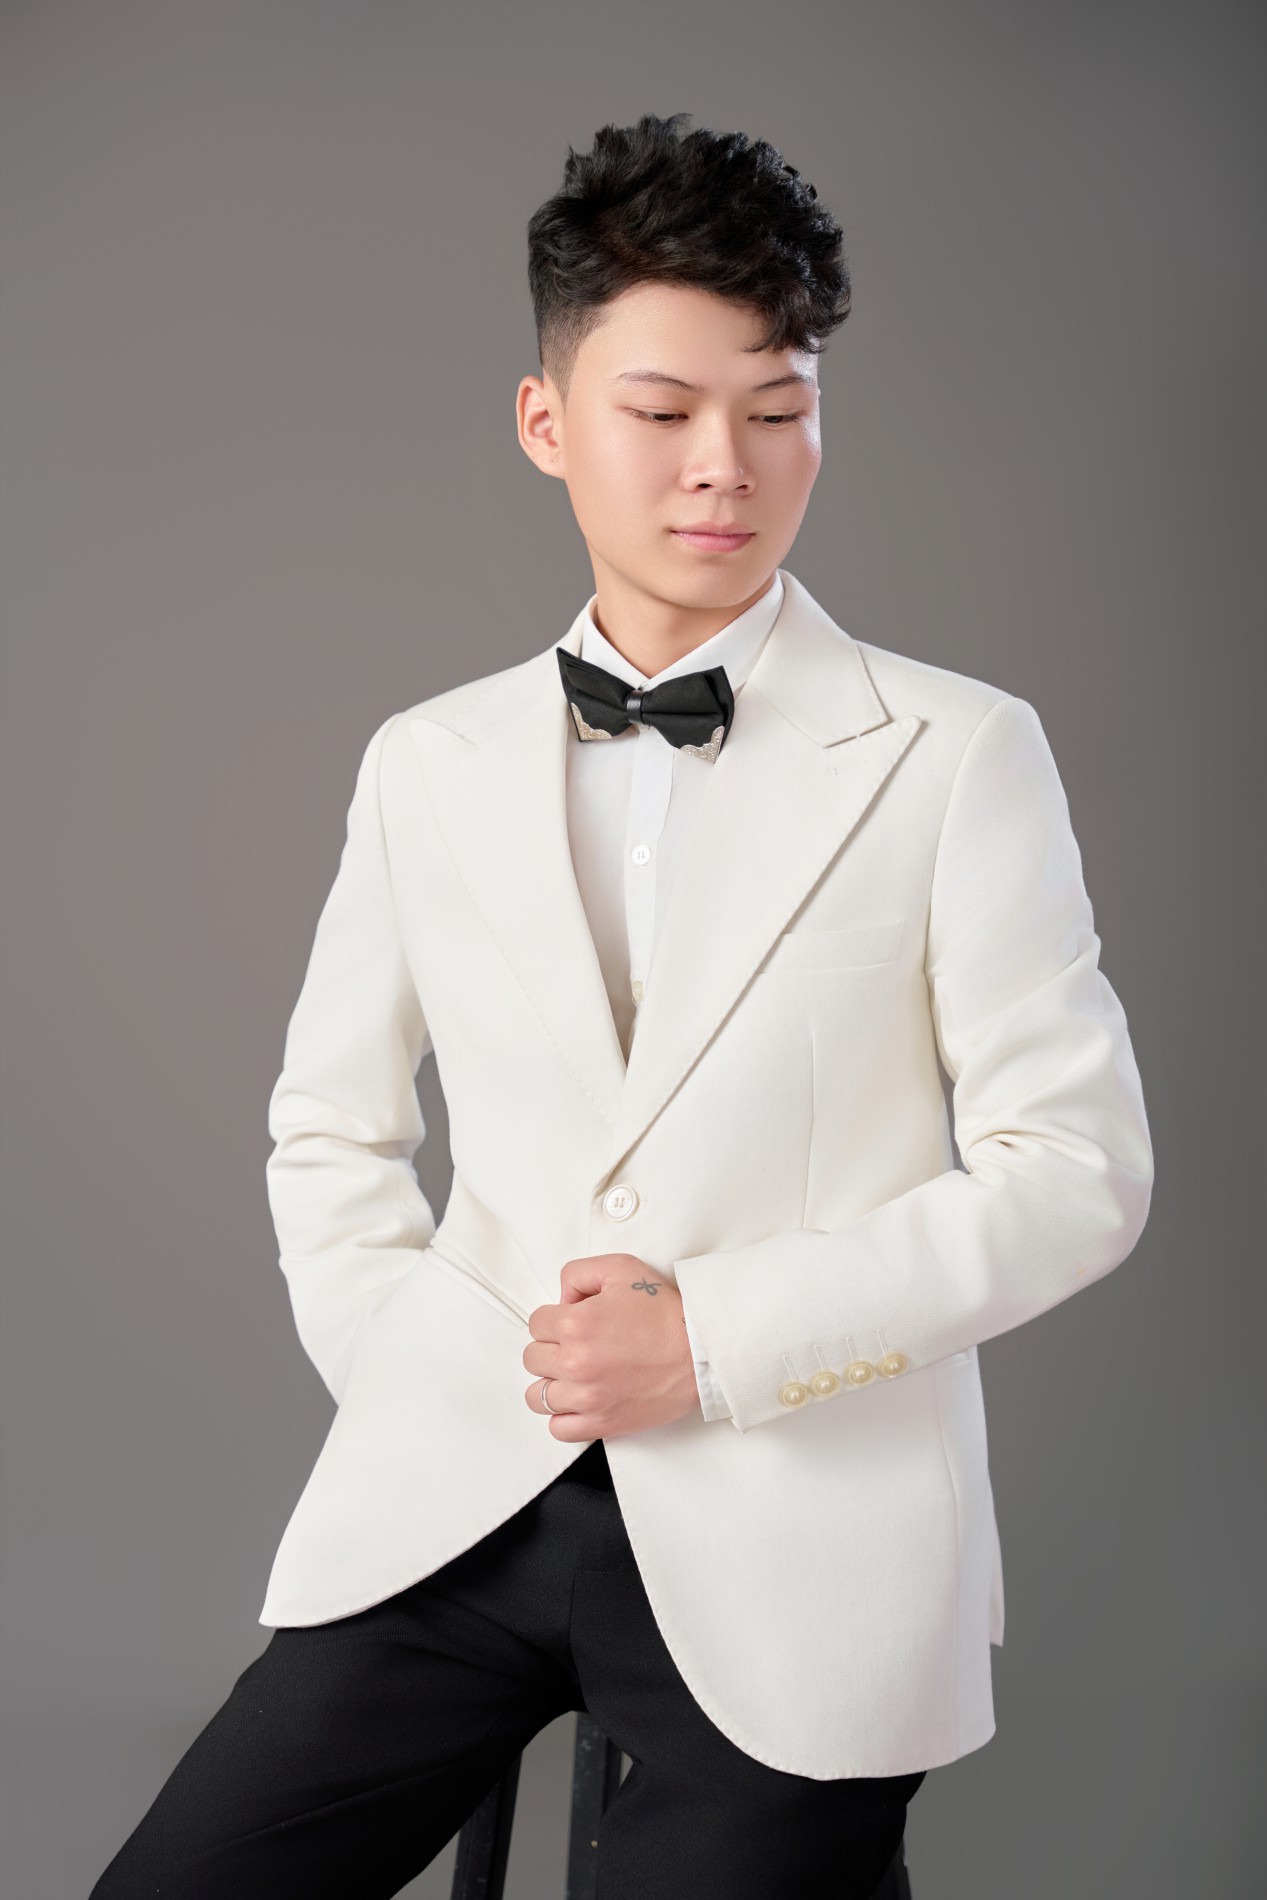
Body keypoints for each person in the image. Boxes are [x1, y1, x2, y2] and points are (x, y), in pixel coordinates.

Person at [90, 111, 1153, 1899]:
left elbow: (1078, 1174)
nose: (724, 468)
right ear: (546, 423)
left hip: (808, 1541)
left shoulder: (959, 753)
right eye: (662, 413)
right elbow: (330, 1127)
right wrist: (424, 1373)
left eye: (779, 410)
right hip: (459, 1511)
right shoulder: (426, 761)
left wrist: (712, 1343)